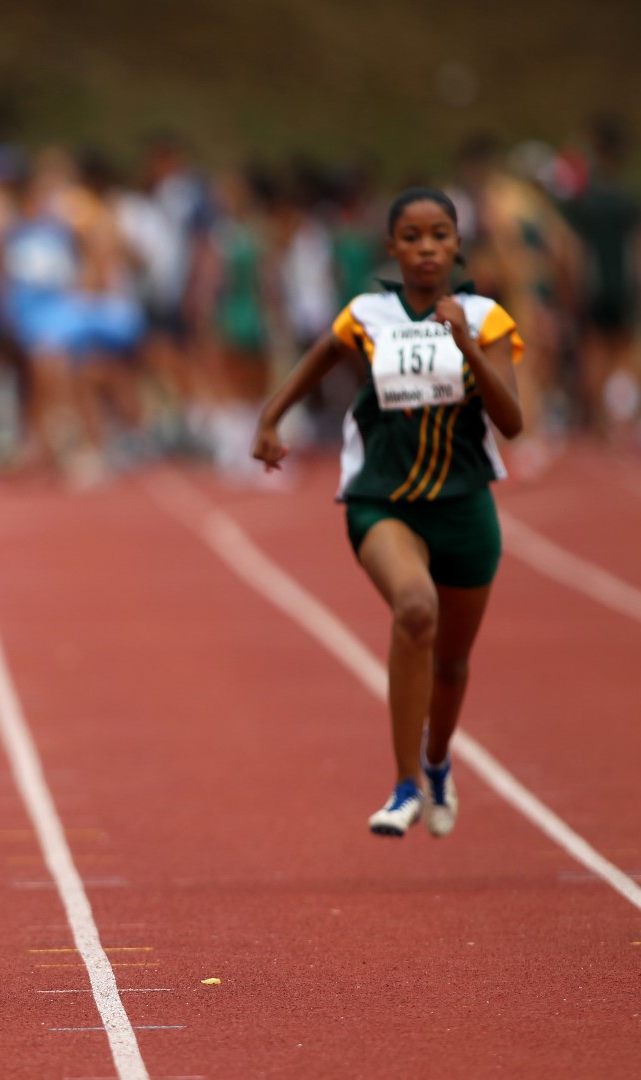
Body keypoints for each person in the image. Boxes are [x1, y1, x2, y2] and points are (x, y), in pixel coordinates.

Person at [252, 187, 524, 839]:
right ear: (392, 247)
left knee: (451, 664)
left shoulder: (485, 317)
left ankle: (436, 761)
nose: (426, 248)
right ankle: (405, 786)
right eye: (412, 237)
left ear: (457, 244)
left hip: (463, 507)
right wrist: (270, 418)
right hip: (382, 498)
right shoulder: (367, 313)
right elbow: (319, 357)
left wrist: (468, 346)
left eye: (439, 235)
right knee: (415, 608)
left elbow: (512, 421)